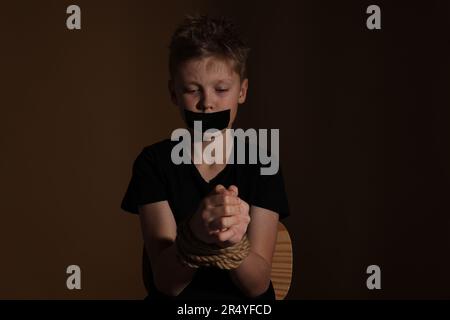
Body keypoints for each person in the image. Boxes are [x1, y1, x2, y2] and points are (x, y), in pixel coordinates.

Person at [120, 14, 289, 300]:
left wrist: (233, 240)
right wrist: (196, 233)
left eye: (221, 89)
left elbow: (258, 285)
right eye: (191, 90)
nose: (207, 103)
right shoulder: (153, 163)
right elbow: (167, 283)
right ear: (173, 93)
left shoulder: (263, 164)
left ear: (242, 92)